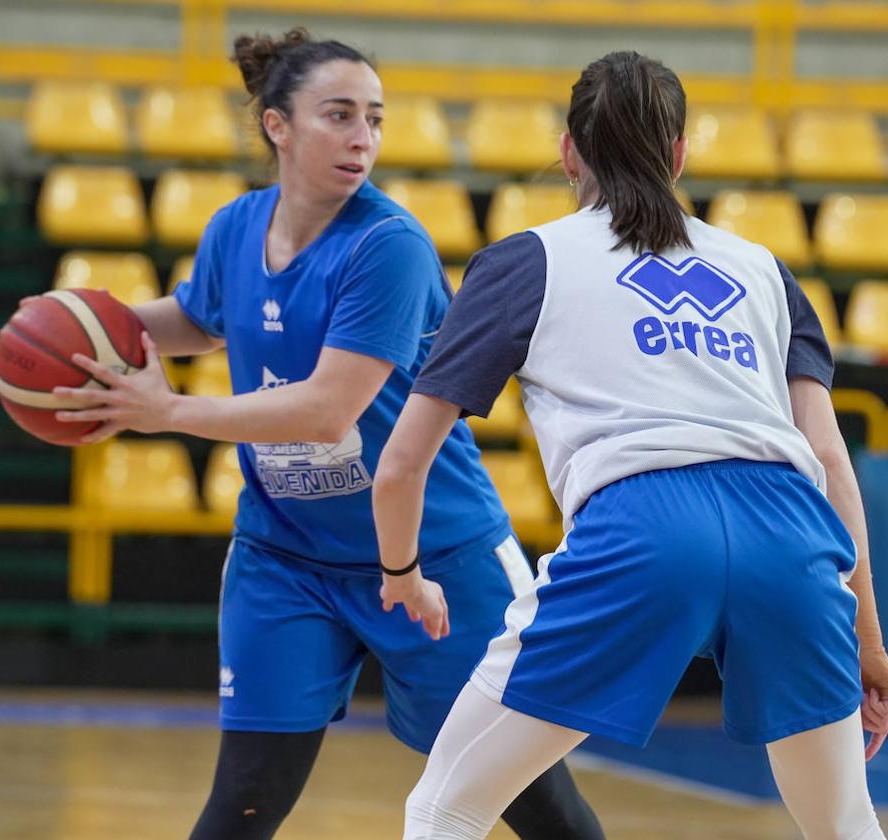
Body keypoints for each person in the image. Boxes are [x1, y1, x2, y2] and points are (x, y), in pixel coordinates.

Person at [49, 27, 602, 840]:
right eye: (339, 116)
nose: (362, 139)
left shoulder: (390, 246)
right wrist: (83, 329)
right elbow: (199, 322)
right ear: (278, 125)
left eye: (374, 119)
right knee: (243, 799)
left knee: (531, 799)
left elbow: (326, 410)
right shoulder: (238, 227)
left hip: (434, 556)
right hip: (285, 557)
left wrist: (167, 413)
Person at [372, 50, 888, 840]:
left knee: (447, 806)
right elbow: (831, 465)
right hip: (792, 538)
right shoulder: (765, 270)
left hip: (646, 527)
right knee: (843, 824)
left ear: (568, 152)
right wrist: (867, 636)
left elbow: (401, 463)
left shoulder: (527, 262)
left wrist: (401, 572)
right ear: (681, 154)